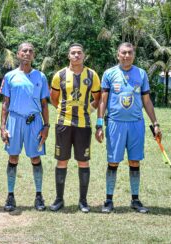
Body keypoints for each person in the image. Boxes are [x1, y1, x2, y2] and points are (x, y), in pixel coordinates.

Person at [95, 42, 162, 213]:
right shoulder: (109, 74)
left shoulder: (141, 74)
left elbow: (146, 101)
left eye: (129, 53)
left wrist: (155, 124)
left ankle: (135, 199)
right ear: (118, 54)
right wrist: (100, 124)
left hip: (136, 124)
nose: (126, 56)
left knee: (134, 161)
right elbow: (103, 100)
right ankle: (109, 200)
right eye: (123, 53)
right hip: (115, 124)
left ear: (134, 55)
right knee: (113, 161)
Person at [49, 43, 101, 212]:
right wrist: (63, 111)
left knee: (83, 161)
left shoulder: (92, 75)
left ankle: (83, 201)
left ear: (84, 55)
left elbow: (98, 98)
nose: (76, 55)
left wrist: (89, 110)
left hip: (83, 125)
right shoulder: (60, 75)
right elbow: (54, 98)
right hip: (63, 124)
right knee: (62, 160)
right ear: (68, 56)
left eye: (79, 53)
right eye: (73, 53)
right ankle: (58, 199)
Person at [0, 42, 50, 211]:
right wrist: (2, 126)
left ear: (33, 55)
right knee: (13, 157)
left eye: (30, 51)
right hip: (14, 120)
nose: (27, 53)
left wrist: (46, 126)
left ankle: (38, 195)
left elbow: (44, 104)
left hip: (34, 121)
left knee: (35, 158)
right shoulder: (10, 76)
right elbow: (5, 104)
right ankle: (10, 195)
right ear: (18, 54)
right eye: (24, 51)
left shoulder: (40, 77)